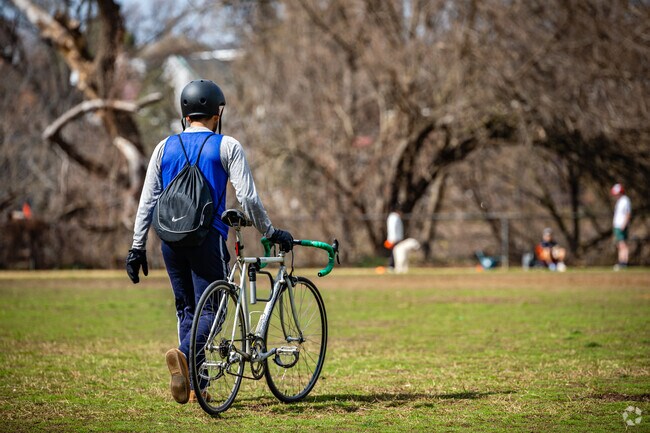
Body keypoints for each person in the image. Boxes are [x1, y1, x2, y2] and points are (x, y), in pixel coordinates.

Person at [125, 79, 293, 405]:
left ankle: (194, 382)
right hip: (207, 237)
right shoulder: (226, 145)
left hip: (169, 241)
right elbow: (248, 198)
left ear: (184, 114)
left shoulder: (164, 147)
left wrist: (136, 247)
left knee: (187, 309)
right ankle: (185, 357)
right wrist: (270, 232)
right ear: (218, 112)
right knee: (212, 308)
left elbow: (148, 201)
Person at [611, 183, 631, 270]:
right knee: (620, 244)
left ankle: (623, 262)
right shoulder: (620, 201)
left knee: (622, 244)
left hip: (621, 226)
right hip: (617, 226)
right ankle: (621, 261)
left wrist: (624, 224)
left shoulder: (625, 200)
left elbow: (627, 214)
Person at [384, 205, 404, 270]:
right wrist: (393, 239)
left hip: (396, 238)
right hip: (394, 239)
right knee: (394, 253)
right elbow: (392, 228)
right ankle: (391, 266)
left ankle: (395, 266)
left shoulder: (395, 217)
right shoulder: (394, 217)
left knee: (395, 253)